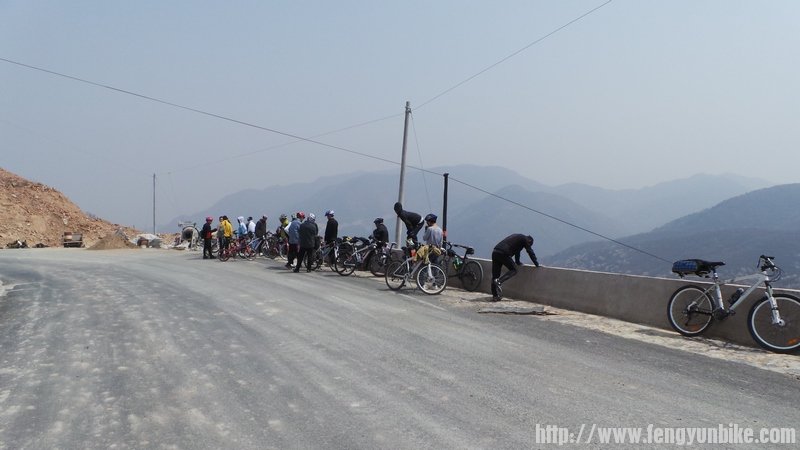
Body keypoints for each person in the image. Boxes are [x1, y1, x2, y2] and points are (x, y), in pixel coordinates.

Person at [491, 233, 540, 302]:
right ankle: (499, 281)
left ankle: (495, 296)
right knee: (514, 270)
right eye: (529, 245)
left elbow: (517, 252)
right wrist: (536, 264)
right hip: (504, 253)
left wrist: (518, 262)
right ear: (529, 241)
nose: (528, 246)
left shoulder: (518, 237)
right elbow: (530, 251)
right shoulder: (525, 240)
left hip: (495, 252)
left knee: (495, 276)